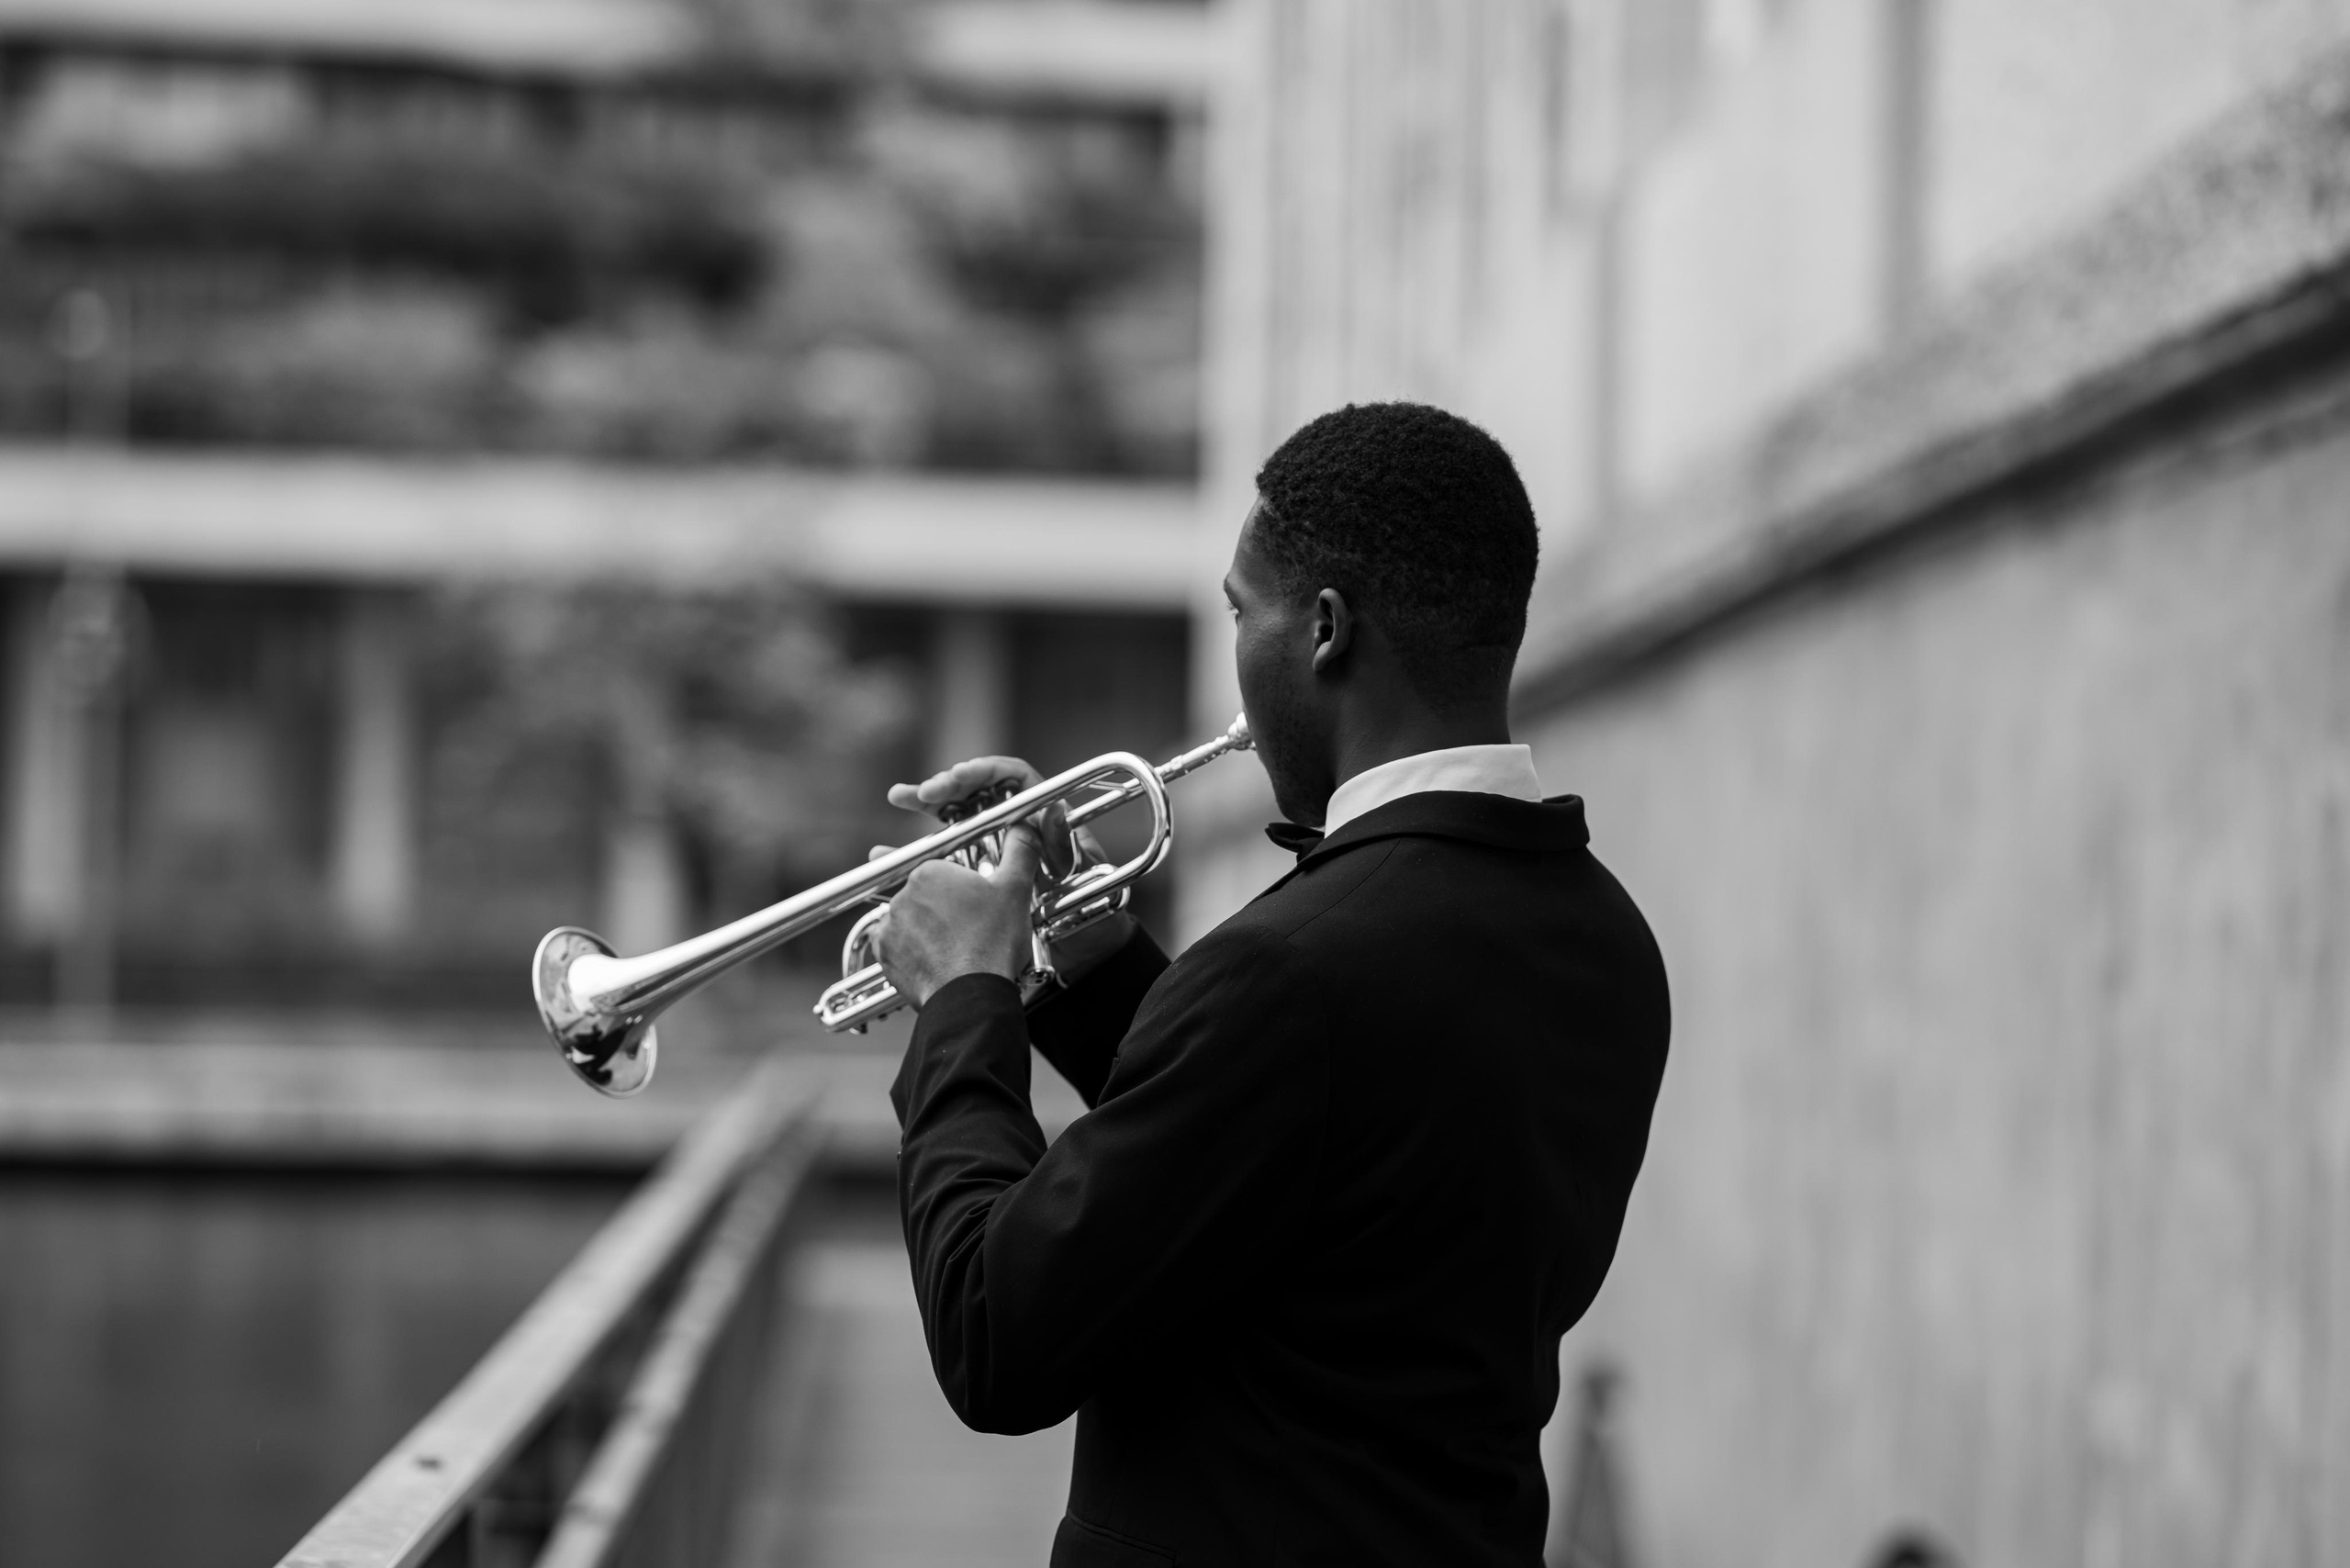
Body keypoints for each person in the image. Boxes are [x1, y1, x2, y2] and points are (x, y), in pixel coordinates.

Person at [873, 401, 1671, 1567]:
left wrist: (963, 1000)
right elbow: (1315, 1155)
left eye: (1242, 612)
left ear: (1326, 630)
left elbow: (995, 1335)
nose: (1239, 670)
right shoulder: (1602, 933)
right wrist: (1086, 954)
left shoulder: (1294, 965)